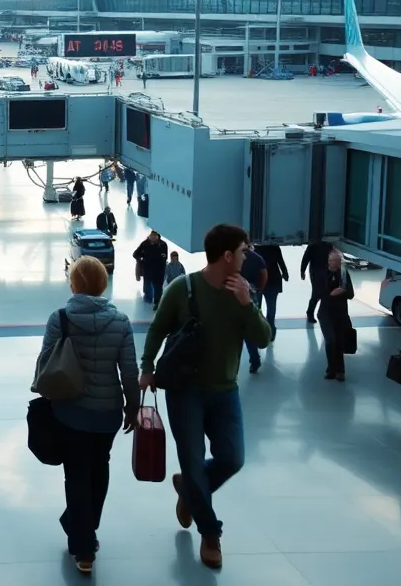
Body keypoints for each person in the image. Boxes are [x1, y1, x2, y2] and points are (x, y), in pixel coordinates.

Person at [139, 224, 271, 570]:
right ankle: (210, 533)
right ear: (227, 256)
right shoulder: (184, 289)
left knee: (232, 458)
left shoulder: (241, 292)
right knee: (194, 463)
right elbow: (158, 328)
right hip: (185, 392)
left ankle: (190, 492)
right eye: (243, 251)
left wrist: (247, 304)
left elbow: (263, 338)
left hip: (226, 390)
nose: (247, 256)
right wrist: (146, 366)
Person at [37, 257, 138, 575]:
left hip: (70, 412)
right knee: (99, 470)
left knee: (77, 476)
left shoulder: (60, 318)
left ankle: (83, 546)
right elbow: (130, 371)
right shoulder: (121, 321)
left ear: (74, 283)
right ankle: (82, 527)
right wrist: (132, 408)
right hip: (108, 413)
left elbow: (44, 363)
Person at [317, 248, 354, 382]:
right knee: (330, 340)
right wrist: (332, 294)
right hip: (326, 313)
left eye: (337, 261)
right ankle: (331, 368)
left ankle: (340, 370)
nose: (334, 264)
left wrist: (342, 292)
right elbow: (319, 293)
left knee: (339, 341)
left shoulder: (344, 274)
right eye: (332, 261)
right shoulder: (322, 275)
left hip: (340, 313)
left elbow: (351, 294)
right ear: (328, 261)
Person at [240, 244, 269, 374]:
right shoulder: (257, 258)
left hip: (236, 295)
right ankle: (255, 360)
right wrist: (259, 289)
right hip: (252, 294)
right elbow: (264, 273)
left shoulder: (232, 257)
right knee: (248, 328)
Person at [256, 244, 288, 341]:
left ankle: (259, 329)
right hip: (273, 280)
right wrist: (285, 273)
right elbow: (280, 260)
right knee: (271, 307)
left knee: (257, 307)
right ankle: (271, 331)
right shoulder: (274, 247)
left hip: (258, 280)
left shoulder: (255, 248)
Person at [132, 230, 169, 307]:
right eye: (151, 236)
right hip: (148, 269)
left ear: (157, 237)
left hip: (159, 270)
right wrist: (140, 259)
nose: (151, 238)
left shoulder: (163, 245)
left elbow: (164, 257)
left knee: (158, 286)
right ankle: (148, 299)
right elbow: (135, 254)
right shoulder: (145, 244)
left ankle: (157, 302)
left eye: (154, 236)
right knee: (147, 284)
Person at [300, 240, 333, 324]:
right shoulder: (314, 245)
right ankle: (310, 313)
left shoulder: (328, 244)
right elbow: (306, 258)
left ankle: (321, 313)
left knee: (325, 293)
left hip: (326, 270)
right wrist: (302, 271)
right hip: (316, 271)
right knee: (316, 293)